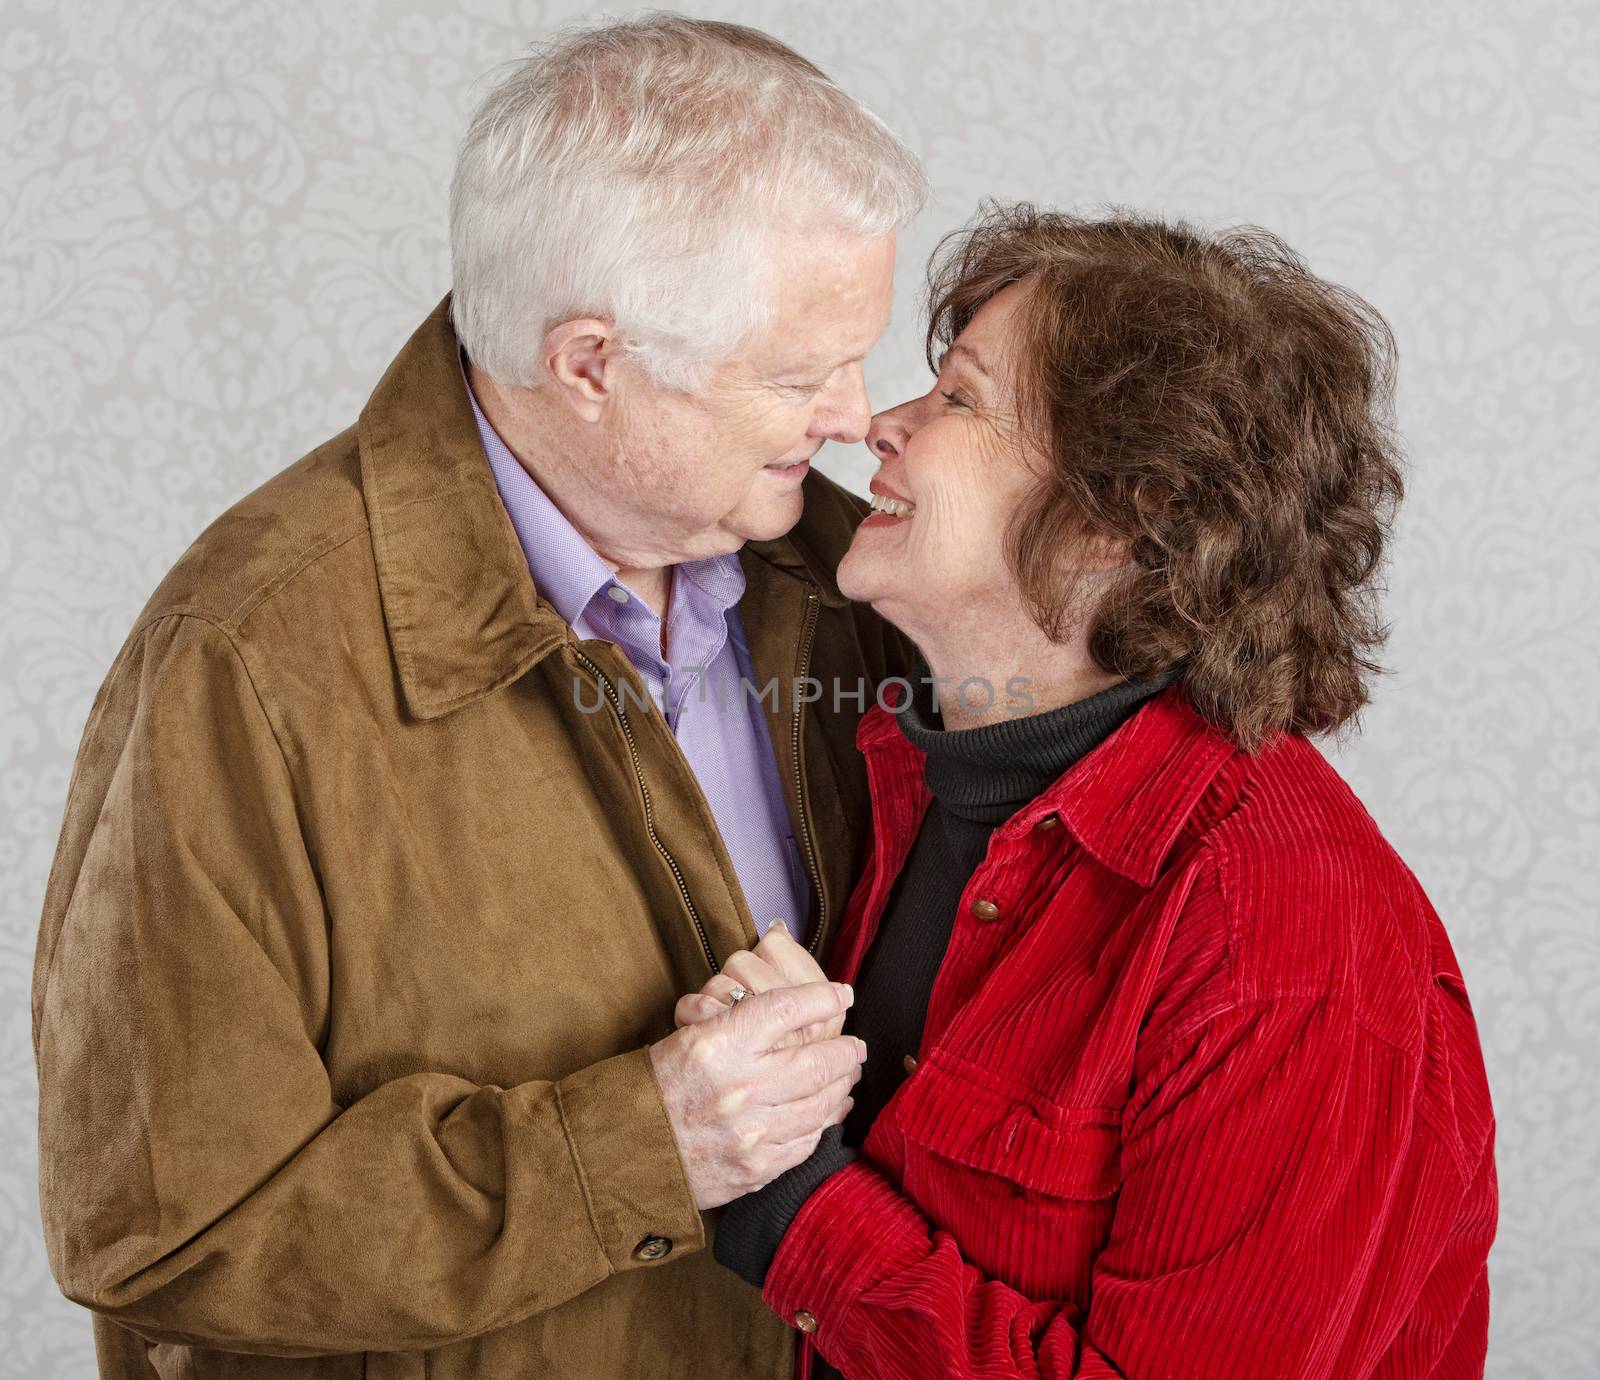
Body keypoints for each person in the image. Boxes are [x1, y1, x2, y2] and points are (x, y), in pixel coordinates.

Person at [31, 16, 926, 1380]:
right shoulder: (248, 662)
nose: (860, 417)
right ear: (588, 365)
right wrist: (642, 1147)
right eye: (801, 375)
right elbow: (160, 1235)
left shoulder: (856, 587)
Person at [686, 204, 1498, 1378]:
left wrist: (795, 1205)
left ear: (1124, 521)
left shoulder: (1284, 942)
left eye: (960, 399)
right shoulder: (906, 767)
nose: (876, 426)